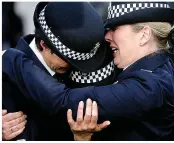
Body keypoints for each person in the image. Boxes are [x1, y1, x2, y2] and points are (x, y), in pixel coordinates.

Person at [2, 2, 174, 140]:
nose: (106, 36)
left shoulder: (147, 87)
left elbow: (64, 101)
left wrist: (11, 58)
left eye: (114, 28)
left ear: (144, 35)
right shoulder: (161, 64)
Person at [2, 2, 116, 140]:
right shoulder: (5, 79)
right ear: (44, 44)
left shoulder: (74, 71)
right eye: (69, 59)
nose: (77, 67)